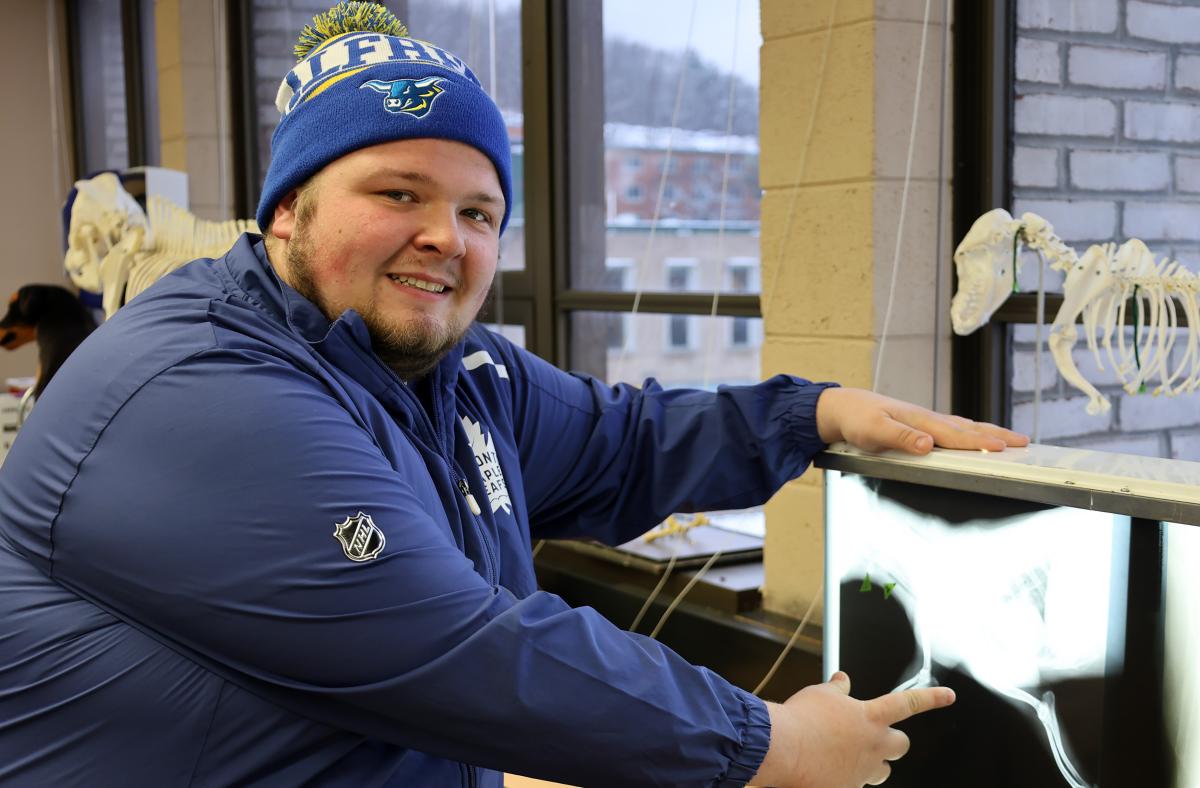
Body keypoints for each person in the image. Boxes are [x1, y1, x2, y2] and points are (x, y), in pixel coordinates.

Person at [0, 4, 1027, 786]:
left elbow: (620, 442)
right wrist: (767, 742)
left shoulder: (451, 372)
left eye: (479, 210)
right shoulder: (195, 386)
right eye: (398, 193)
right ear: (286, 213)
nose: (448, 237)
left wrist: (812, 414)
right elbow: (461, 648)